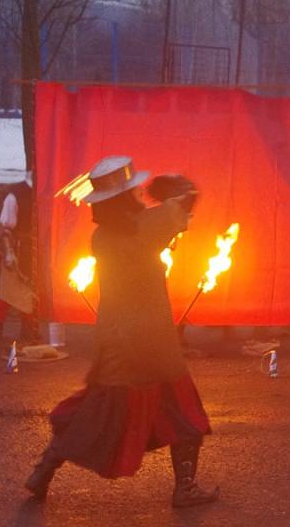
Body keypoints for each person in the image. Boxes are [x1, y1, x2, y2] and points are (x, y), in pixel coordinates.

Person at [24, 156, 219, 508]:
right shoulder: (144, 228)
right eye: (134, 192)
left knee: (93, 414)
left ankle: (44, 470)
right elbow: (186, 200)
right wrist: (175, 185)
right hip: (152, 344)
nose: (141, 197)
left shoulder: (102, 238)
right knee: (183, 412)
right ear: (125, 197)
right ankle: (185, 487)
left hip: (115, 343)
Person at [0, 172, 38, 343]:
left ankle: (29, 329)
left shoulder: (44, 191)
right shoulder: (15, 195)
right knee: (7, 291)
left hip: (36, 249)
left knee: (32, 292)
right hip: (16, 249)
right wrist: (9, 252)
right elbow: (5, 227)